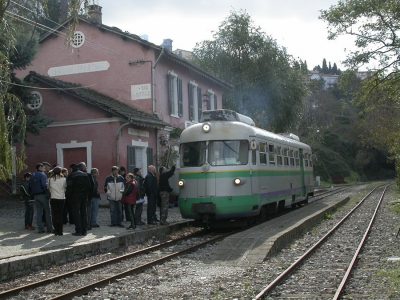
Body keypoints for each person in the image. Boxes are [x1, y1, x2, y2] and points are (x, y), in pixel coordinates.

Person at [66, 163, 92, 236]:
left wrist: (68, 197)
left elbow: (69, 187)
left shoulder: (71, 176)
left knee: (76, 214)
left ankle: (78, 230)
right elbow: (89, 186)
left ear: (72, 169)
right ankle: (84, 230)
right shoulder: (85, 174)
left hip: (75, 197)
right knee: (84, 213)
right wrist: (87, 196)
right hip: (84, 197)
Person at [29, 163, 53, 233]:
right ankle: (50, 228)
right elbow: (44, 185)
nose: (44, 168)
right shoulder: (43, 175)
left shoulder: (33, 175)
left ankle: (40, 229)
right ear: (40, 167)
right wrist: (48, 194)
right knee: (48, 212)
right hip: (43, 195)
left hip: (35, 196)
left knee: (39, 212)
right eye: (43, 167)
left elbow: (30, 186)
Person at [48, 166, 67, 236]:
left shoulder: (50, 179)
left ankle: (56, 231)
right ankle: (60, 231)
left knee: (55, 215)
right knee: (60, 215)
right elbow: (65, 188)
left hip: (53, 198)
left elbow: (49, 188)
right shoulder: (64, 179)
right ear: (60, 172)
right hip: (61, 198)